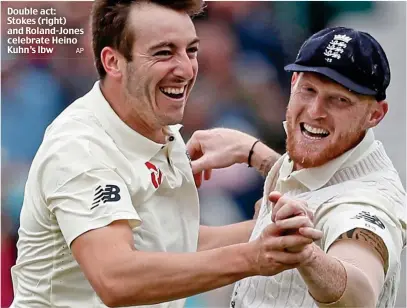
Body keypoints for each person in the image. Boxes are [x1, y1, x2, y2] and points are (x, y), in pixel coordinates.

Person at [10, 1, 323, 307]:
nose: (186, 69)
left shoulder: (159, 125)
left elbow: (170, 242)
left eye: (191, 50)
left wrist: (272, 229)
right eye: (163, 53)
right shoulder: (81, 146)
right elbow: (115, 279)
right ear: (113, 62)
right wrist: (253, 257)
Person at [187, 27, 406, 307]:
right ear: (293, 84)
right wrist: (254, 153)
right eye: (309, 90)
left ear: (375, 114)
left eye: (339, 100)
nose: (315, 111)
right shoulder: (322, 158)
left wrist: (309, 257)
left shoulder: (367, 203)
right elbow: (311, 189)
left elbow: (360, 292)